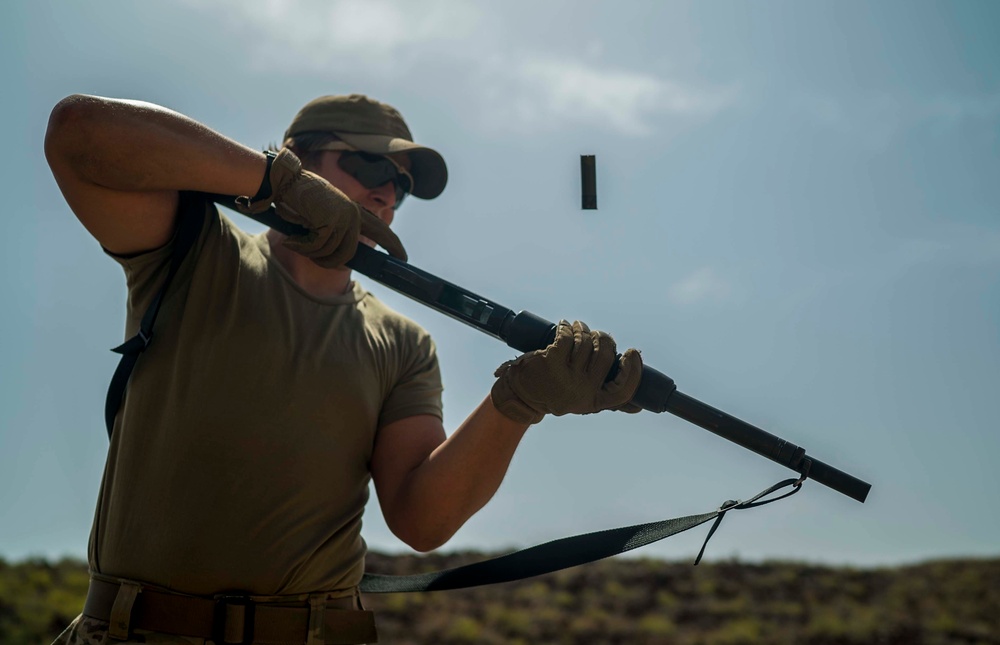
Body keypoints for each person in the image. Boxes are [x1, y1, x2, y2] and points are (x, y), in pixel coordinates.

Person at [44, 93, 644, 645]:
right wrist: (271, 179)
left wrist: (519, 402)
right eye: (370, 167)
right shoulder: (194, 248)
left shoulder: (403, 343)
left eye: (400, 188)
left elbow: (422, 519)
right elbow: (80, 133)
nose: (386, 195)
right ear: (298, 155)